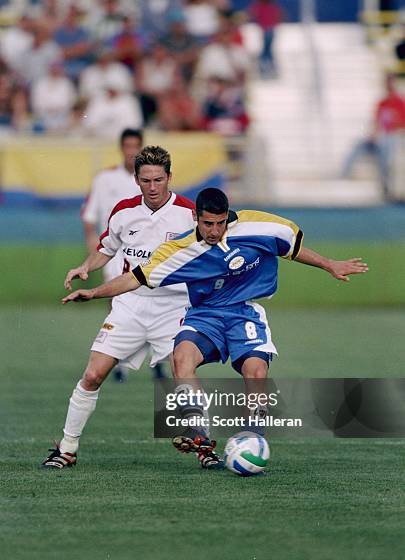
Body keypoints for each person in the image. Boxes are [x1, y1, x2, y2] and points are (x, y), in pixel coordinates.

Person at [61, 187, 369, 468]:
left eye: (220, 223)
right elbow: (134, 278)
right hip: (204, 315)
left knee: (256, 372)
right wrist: (93, 293)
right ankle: (199, 430)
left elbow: (291, 245)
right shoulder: (179, 251)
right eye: (208, 224)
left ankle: (254, 436)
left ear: (228, 217)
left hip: (244, 313)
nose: (214, 230)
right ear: (195, 218)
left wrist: (330, 264)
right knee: (181, 357)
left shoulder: (258, 226)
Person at [42, 146, 196, 469]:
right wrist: (86, 267)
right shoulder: (124, 211)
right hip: (130, 305)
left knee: (184, 371)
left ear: (169, 177)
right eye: (145, 180)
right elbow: (106, 248)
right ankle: (67, 449)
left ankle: (203, 444)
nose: (153, 187)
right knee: (93, 373)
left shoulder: (188, 213)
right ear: (136, 179)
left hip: (174, 307)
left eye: (158, 180)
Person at [81, 127, 143, 381]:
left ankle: (149, 355)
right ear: (121, 148)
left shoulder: (149, 179)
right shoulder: (105, 179)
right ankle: (118, 359)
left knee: (147, 301)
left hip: (144, 250)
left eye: (135, 147)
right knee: (115, 299)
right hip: (114, 251)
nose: (131, 152)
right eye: (127, 146)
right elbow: (89, 215)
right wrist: (91, 245)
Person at [341, 75, 405, 200]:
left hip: (393, 136)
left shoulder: (399, 102)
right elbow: (376, 122)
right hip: (380, 137)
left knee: (386, 147)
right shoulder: (382, 103)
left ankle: (386, 186)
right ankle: (345, 174)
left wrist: (390, 131)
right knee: (358, 144)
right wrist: (373, 135)